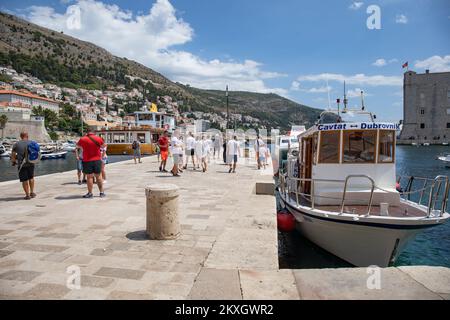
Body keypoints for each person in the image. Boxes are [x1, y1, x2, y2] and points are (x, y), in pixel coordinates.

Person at [77, 130, 105, 198]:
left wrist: (85, 147)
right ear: (94, 133)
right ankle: (101, 193)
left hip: (87, 160)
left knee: (89, 177)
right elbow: (103, 146)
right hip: (97, 160)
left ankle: (90, 193)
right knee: (98, 176)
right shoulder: (98, 138)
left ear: (87, 133)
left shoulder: (83, 139)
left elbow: (77, 146)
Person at [10, 131, 36, 200]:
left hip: (22, 165)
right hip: (31, 163)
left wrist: (13, 162)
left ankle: (27, 195)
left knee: (24, 180)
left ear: (21, 136)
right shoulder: (32, 143)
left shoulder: (16, 144)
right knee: (31, 178)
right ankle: (32, 192)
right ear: (27, 136)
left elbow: (13, 155)